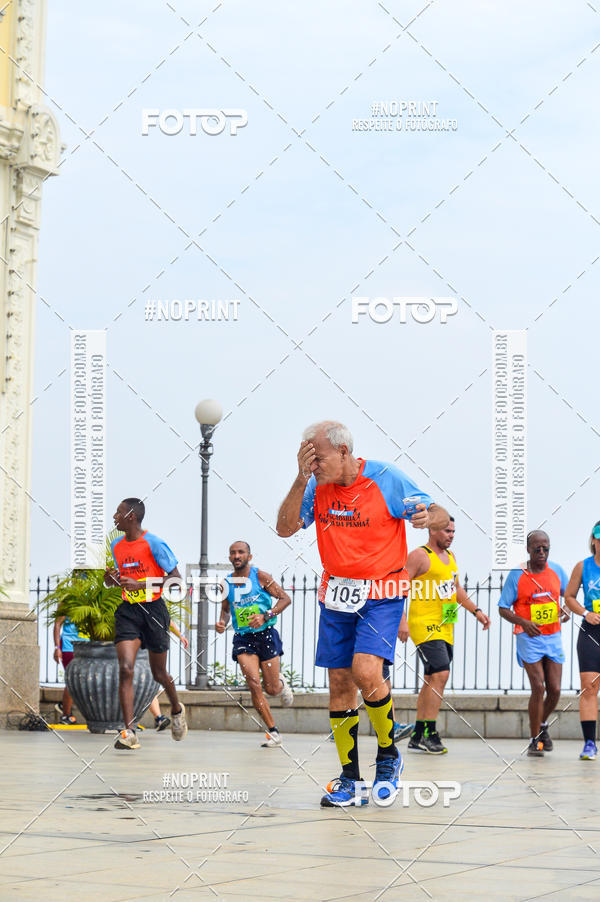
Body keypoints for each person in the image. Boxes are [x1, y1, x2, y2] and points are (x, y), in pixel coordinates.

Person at [276, 420, 448, 807]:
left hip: (382, 594)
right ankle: (349, 778)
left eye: (317, 457)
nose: (314, 465)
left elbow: (439, 512)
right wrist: (300, 478)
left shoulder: (385, 478)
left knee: (366, 670)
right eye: (308, 458)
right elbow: (285, 529)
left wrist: (426, 518)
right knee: (339, 683)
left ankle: (388, 756)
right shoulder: (314, 485)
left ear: (343, 451)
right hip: (336, 594)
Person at [104, 498, 187, 750]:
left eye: (118, 512)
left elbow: (176, 580)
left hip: (153, 610)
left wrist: (142, 584)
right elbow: (114, 583)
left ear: (131, 516)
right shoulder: (117, 546)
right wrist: (110, 579)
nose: (114, 517)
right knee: (126, 668)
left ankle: (176, 710)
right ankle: (129, 731)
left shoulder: (155, 543)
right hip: (129, 611)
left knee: (159, 673)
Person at [403, 516, 490, 754]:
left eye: (453, 531)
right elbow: (400, 586)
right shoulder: (420, 556)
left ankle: (418, 734)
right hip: (424, 624)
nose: (451, 535)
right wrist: (401, 622)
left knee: (433, 678)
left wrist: (477, 611)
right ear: (432, 530)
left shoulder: (450, 558)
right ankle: (430, 732)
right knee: (441, 672)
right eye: (446, 531)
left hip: (445, 624)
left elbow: (456, 589)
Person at [215, 541, 293, 748]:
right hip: (243, 638)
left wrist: (265, 615)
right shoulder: (226, 584)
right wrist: (222, 622)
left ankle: (281, 684)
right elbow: (225, 609)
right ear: (230, 557)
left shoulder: (261, 577)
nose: (236, 555)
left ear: (249, 556)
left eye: (241, 552)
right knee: (253, 683)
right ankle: (273, 731)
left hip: (265, 634)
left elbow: (285, 599)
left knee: (272, 688)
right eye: (233, 552)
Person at [498, 530, 569, 757]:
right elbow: (502, 607)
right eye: (537, 548)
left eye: (545, 548)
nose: (541, 552)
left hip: (553, 635)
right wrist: (523, 622)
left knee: (555, 690)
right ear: (528, 549)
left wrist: (567, 609)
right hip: (528, 637)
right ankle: (535, 739)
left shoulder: (557, 570)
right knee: (538, 687)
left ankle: (541, 725)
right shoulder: (517, 575)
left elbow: (570, 596)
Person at [564, 519, 600, 760]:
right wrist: (586, 613)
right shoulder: (583, 566)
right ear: (593, 540)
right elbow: (569, 597)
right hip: (591, 630)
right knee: (589, 687)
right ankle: (589, 743)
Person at [140, 622, 189, 732]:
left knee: (148, 689)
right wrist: (180, 636)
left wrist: (180, 636)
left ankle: (159, 718)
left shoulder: (152, 608)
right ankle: (158, 718)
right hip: (141, 651)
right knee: (147, 689)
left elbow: (167, 621)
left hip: (145, 652)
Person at [53, 616, 89, 724]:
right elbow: (57, 624)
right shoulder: (67, 600)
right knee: (73, 679)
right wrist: (57, 648)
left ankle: (63, 706)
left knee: (82, 681)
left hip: (87, 645)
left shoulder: (93, 600)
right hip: (69, 646)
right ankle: (66, 716)